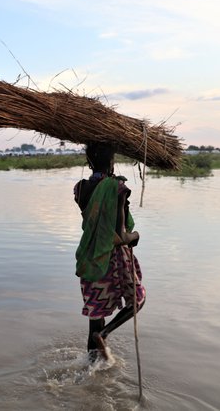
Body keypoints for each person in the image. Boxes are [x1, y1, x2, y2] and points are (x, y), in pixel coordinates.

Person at [73, 142, 146, 361]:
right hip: (113, 258)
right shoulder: (117, 188)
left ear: (89, 162)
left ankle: (90, 371)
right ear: (112, 162)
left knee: (96, 314)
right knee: (138, 300)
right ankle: (104, 333)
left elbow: (97, 224)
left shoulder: (80, 188)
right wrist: (136, 236)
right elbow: (121, 236)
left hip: (90, 257)